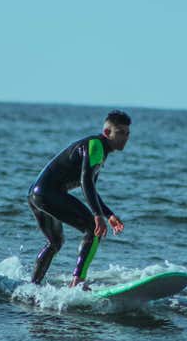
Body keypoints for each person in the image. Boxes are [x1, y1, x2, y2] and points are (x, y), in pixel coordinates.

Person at [28, 110, 131, 289]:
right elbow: (86, 182)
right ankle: (77, 282)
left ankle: (32, 286)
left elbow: (91, 187)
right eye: (120, 132)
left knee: (55, 242)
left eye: (128, 133)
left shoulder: (97, 149)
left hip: (36, 195)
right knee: (93, 229)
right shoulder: (96, 146)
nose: (125, 138)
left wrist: (109, 214)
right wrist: (97, 215)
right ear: (107, 133)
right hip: (49, 194)